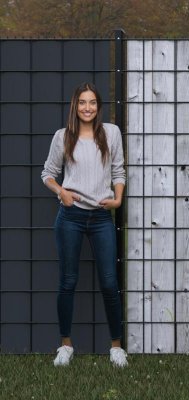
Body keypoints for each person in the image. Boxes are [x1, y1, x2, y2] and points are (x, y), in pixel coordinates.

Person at [41, 82, 127, 367]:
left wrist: (117, 200)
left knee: (109, 283)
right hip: (71, 218)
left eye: (92, 102)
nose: (87, 107)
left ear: (98, 107)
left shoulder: (111, 133)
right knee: (68, 281)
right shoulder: (63, 136)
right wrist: (61, 192)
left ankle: (116, 347)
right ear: (74, 107)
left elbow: (118, 170)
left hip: (101, 217)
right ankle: (65, 345)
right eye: (82, 103)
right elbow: (48, 174)